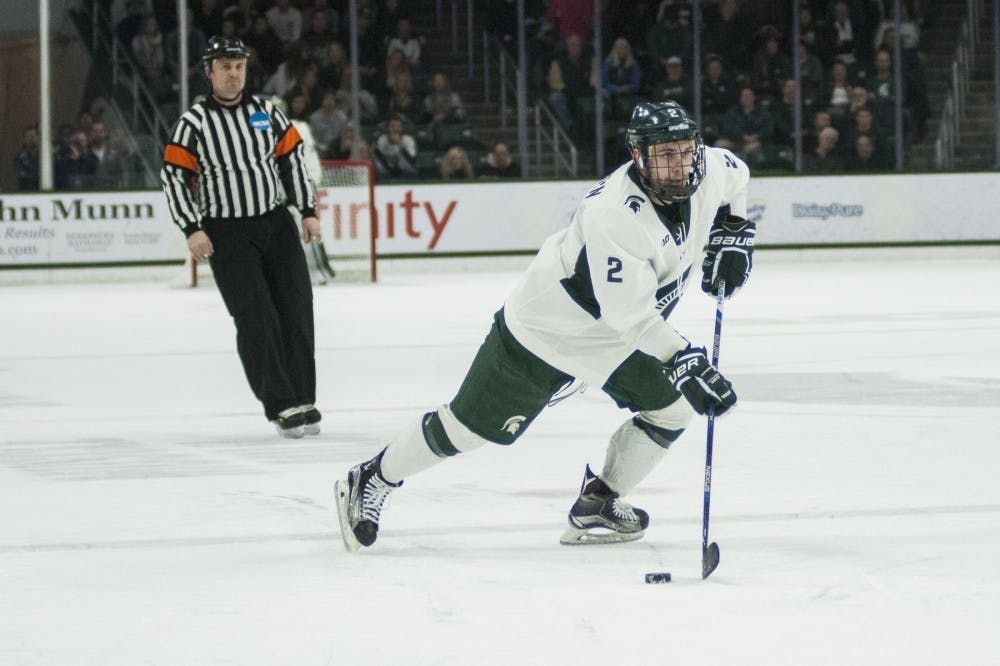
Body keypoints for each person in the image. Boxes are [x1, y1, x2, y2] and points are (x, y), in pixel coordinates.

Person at [335, 101, 752, 552]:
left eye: (684, 151)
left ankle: (598, 504)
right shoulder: (614, 215)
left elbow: (739, 175)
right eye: (663, 155)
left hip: (624, 337)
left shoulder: (708, 167)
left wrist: (735, 228)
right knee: (468, 430)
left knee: (672, 408)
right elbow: (627, 315)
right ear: (638, 157)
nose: (678, 165)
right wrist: (683, 360)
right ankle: (372, 478)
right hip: (548, 333)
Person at [160, 36, 322, 438]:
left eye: (239, 66)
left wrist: (307, 210)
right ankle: (280, 404)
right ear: (209, 72)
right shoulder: (193, 122)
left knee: (297, 308)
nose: (233, 74)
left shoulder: (267, 112)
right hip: (226, 232)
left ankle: (303, 398)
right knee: (256, 318)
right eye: (225, 67)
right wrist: (191, 227)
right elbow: (173, 178)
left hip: (275, 223)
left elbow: (292, 161)